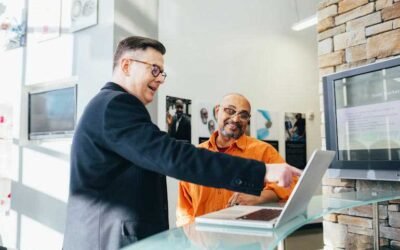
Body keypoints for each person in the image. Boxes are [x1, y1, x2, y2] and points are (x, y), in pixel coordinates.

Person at [62, 36, 301, 250]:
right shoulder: (115, 106)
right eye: (154, 70)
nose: (160, 79)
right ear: (126, 65)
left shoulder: (111, 106)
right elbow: (173, 157)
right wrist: (264, 171)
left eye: (162, 73)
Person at [176, 94, 298, 226]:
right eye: (230, 111)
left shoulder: (264, 151)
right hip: (204, 242)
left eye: (243, 115)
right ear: (217, 112)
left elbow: (292, 183)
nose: (235, 119)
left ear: (248, 120)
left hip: (248, 239)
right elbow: (184, 210)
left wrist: (260, 196)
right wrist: (193, 238)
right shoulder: (196, 155)